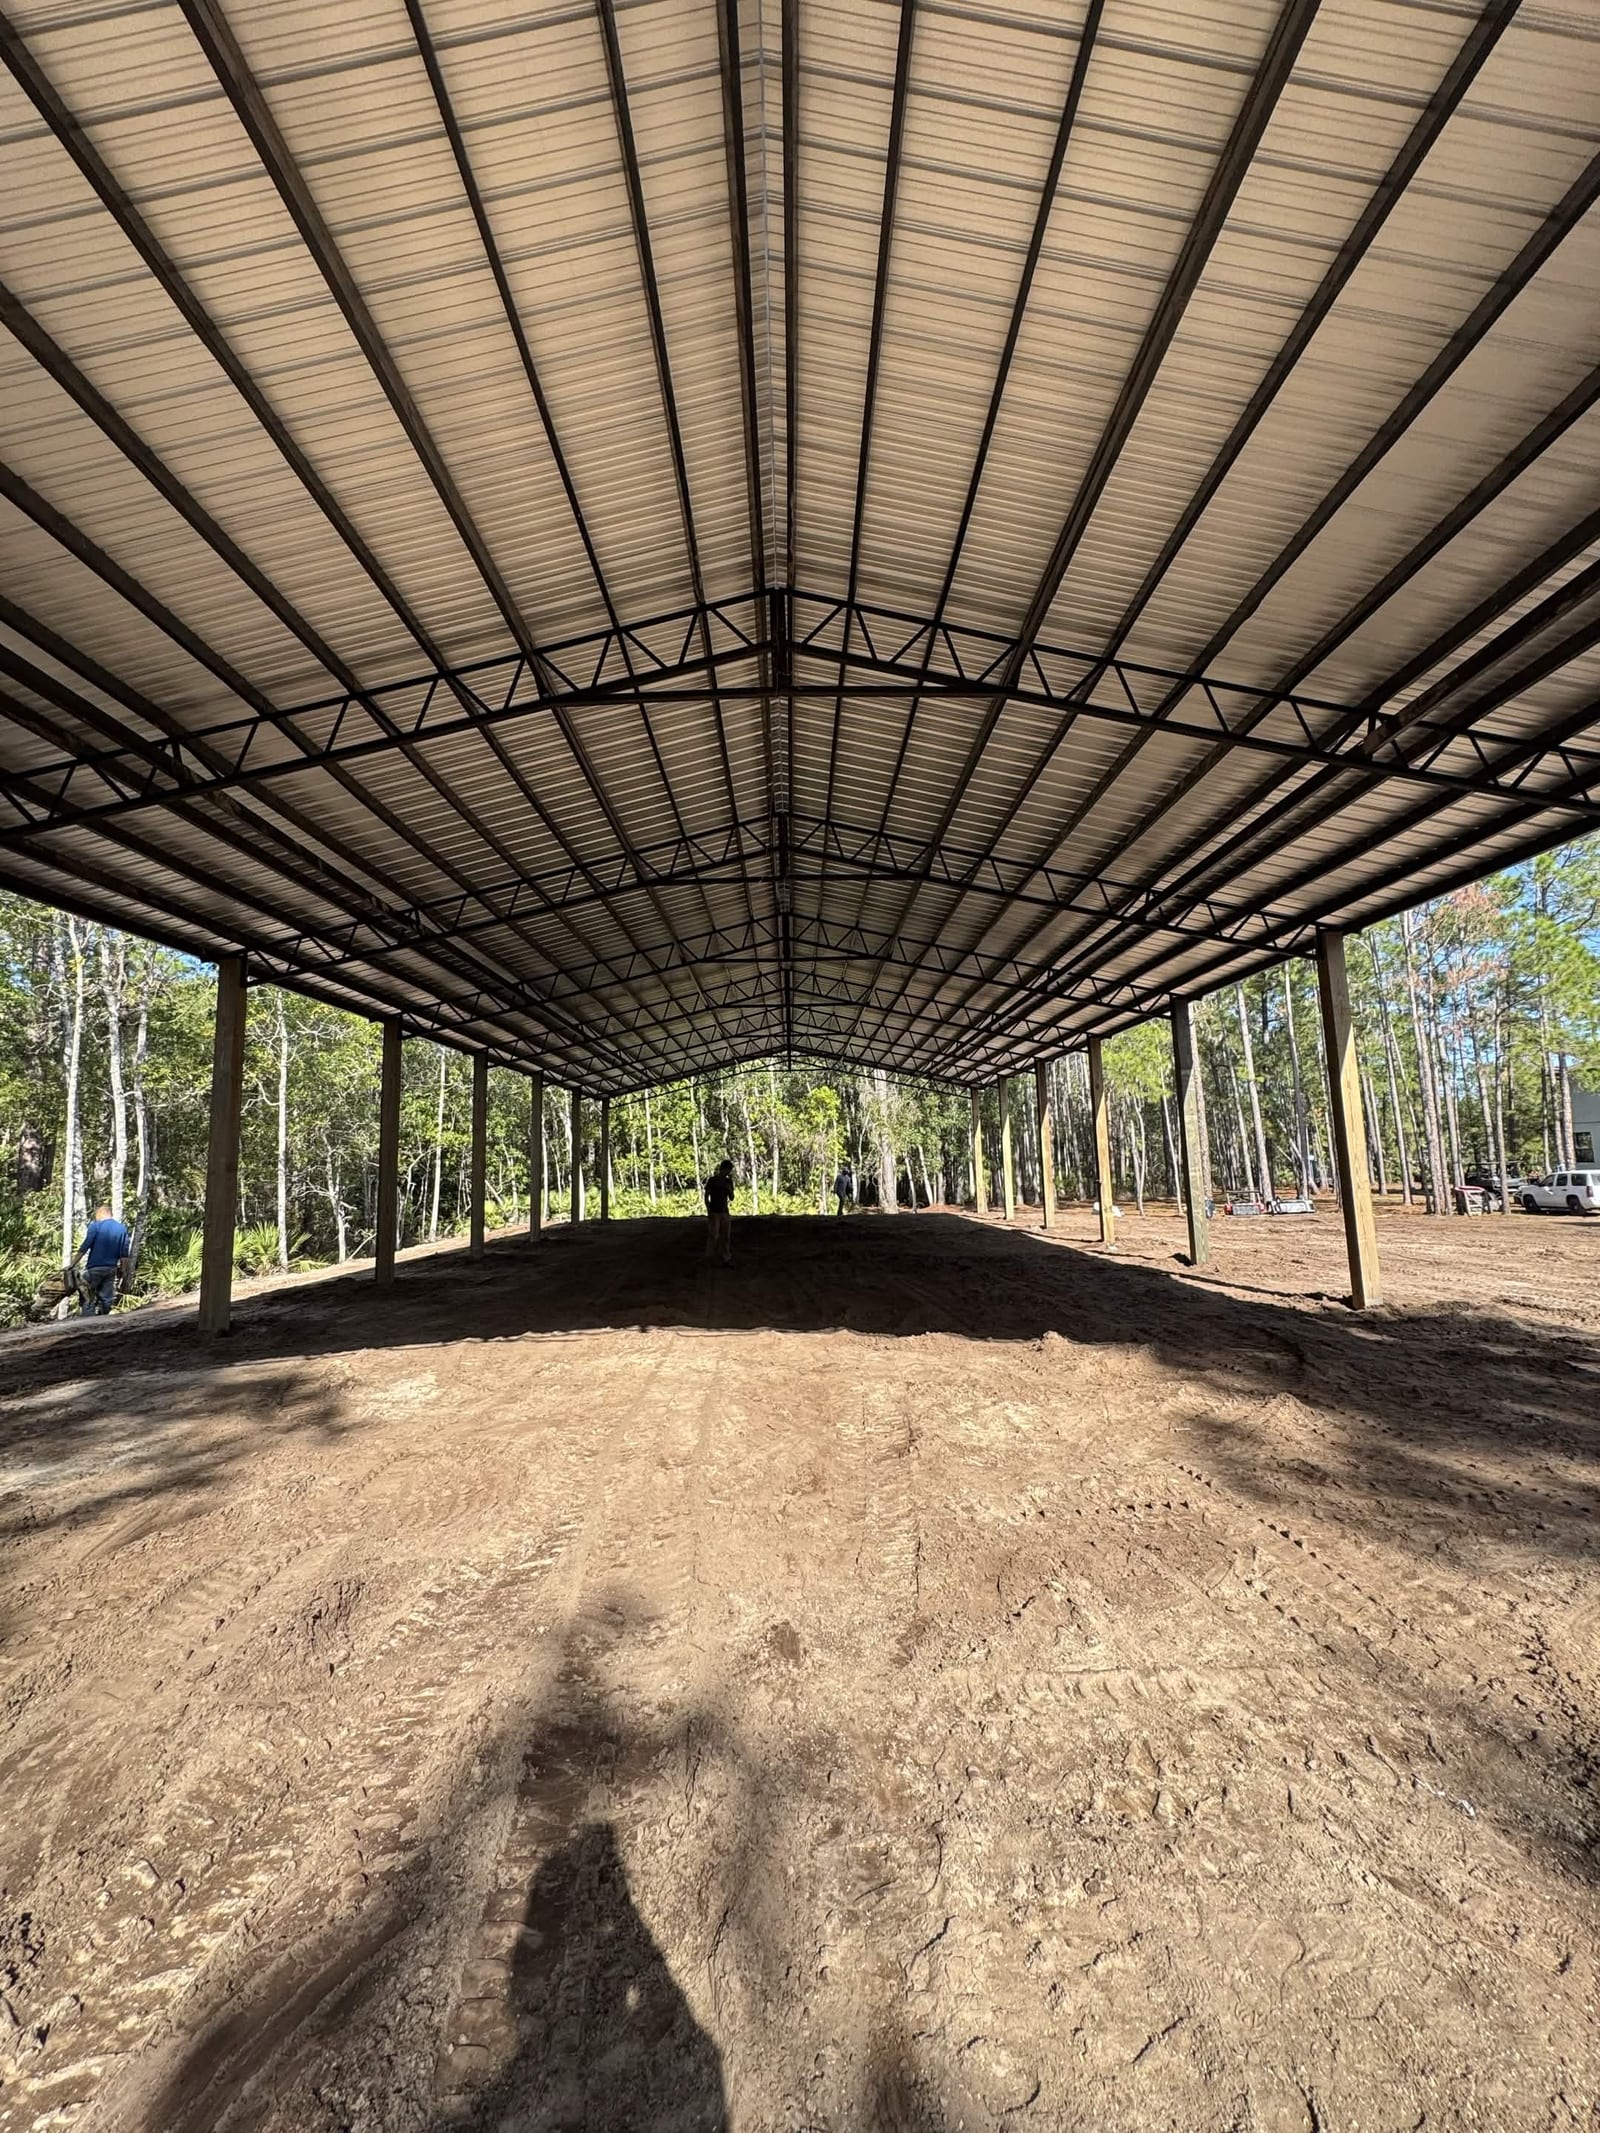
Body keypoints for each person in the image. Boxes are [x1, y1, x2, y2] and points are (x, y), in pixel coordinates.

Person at [71, 1204, 131, 1316]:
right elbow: (124, 1254)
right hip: (111, 1269)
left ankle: (87, 1321)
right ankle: (103, 1317)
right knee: (106, 1297)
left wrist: (72, 1264)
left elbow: (85, 1246)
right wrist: (124, 1271)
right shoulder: (122, 1228)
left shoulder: (95, 1226)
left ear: (101, 1214)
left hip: (95, 1268)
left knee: (87, 1295)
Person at [703, 1159, 735, 1266]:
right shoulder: (712, 1180)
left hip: (724, 1211)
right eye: (728, 1170)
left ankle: (725, 1257)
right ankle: (710, 1257)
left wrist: (729, 1189)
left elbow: (731, 1198)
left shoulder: (728, 1182)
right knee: (714, 1235)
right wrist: (708, 1209)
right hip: (714, 1211)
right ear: (723, 1169)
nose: (728, 1173)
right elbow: (706, 1195)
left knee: (726, 1236)